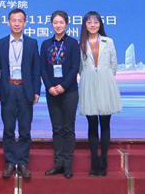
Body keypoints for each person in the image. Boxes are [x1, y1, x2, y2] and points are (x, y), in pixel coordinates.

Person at [0, 9, 41, 179]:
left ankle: (23, 163)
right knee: (8, 129)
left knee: (25, 130)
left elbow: (36, 69)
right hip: (8, 89)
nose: (17, 24)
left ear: (25, 23)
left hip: (25, 89)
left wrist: (36, 91)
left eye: (20, 21)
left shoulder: (32, 43)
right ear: (8, 23)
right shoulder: (0, 44)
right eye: (14, 20)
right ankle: (10, 162)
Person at [78, 11, 122, 177]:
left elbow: (113, 64)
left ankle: (103, 160)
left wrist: (105, 78)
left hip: (105, 83)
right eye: (89, 22)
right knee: (91, 124)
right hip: (88, 83)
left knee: (105, 123)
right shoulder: (80, 43)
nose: (93, 25)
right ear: (85, 25)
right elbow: (80, 68)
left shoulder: (108, 41)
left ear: (100, 24)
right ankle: (94, 160)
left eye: (96, 22)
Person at [40, 10, 81, 179]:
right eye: (55, 23)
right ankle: (58, 164)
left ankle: (68, 165)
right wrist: (49, 87)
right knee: (57, 129)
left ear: (66, 24)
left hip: (69, 92)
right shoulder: (45, 44)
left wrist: (63, 86)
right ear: (51, 24)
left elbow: (75, 67)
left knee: (68, 129)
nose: (58, 25)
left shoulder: (73, 43)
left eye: (61, 23)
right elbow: (42, 68)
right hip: (52, 93)